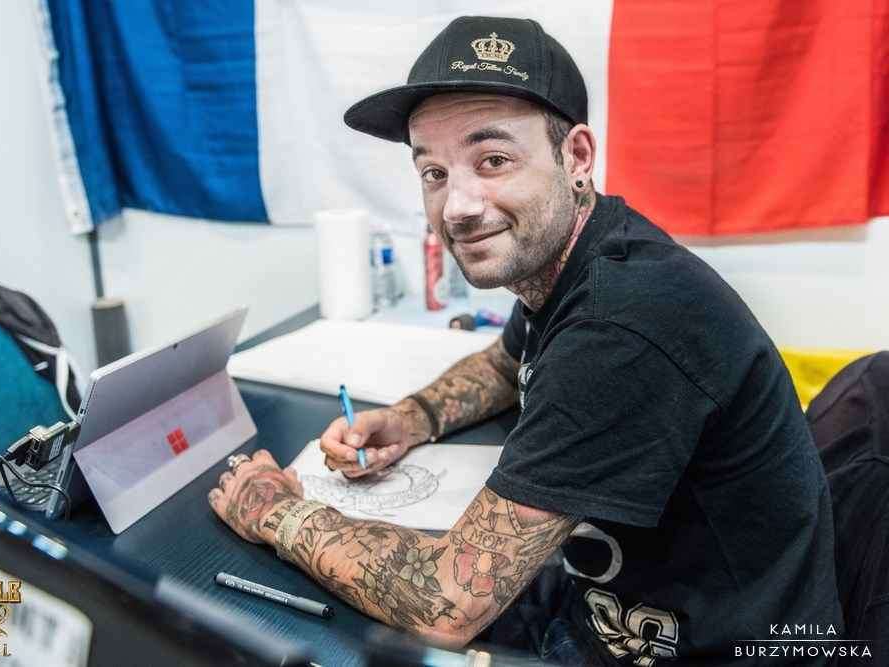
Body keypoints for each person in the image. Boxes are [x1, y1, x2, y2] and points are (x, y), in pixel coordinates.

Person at [208, 16, 843, 665]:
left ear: (577, 158)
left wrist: (276, 511)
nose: (458, 206)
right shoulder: (582, 254)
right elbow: (505, 361)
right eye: (434, 172)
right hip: (607, 601)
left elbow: (446, 600)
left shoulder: (624, 322)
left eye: (493, 160)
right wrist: (410, 418)